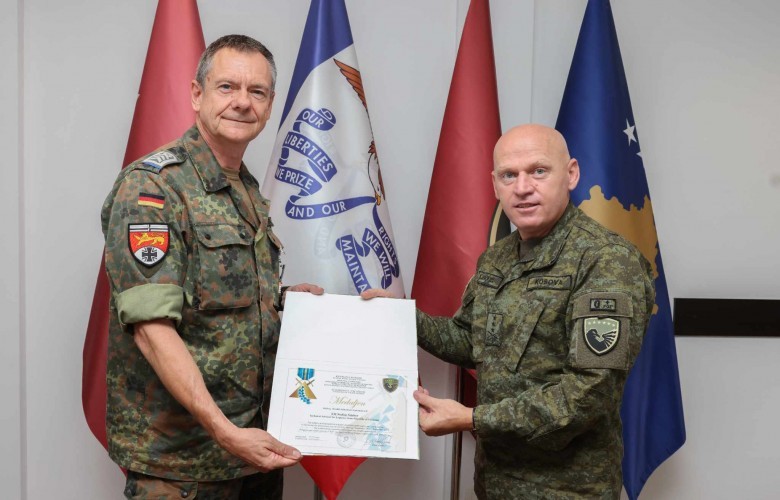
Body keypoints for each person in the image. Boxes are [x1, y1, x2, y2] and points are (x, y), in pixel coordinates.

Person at [364, 124, 654, 498]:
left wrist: (472, 418)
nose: (522, 187)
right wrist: (401, 318)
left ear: (571, 174)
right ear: (494, 185)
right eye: (509, 175)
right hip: (495, 482)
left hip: (566, 488)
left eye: (538, 171)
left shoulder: (606, 261)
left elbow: (588, 394)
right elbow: (470, 339)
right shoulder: (497, 258)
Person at [101, 35, 322, 499]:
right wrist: (225, 431)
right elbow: (152, 328)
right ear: (197, 95)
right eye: (227, 87)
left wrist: (283, 302)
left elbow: (217, 297)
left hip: (254, 450)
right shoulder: (153, 189)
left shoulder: (245, 188)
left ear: (270, 105)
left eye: (257, 91)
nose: (242, 102)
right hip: (184, 464)